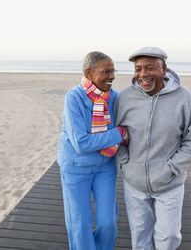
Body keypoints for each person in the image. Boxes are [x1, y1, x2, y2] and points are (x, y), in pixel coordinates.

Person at [116, 47, 191, 250]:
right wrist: (124, 163)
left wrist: (172, 168)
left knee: (169, 238)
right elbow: (115, 135)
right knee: (140, 237)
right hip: (134, 183)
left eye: (149, 68)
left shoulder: (184, 98)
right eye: (138, 68)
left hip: (170, 184)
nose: (143, 74)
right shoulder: (124, 98)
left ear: (163, 69)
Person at [57, 51, 129, 250]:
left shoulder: (115, 97)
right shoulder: (74, 97)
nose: (112, 76)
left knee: (108, 221)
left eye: (113, 71)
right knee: (80, 223)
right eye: (106, 71)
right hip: (76, 167)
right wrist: (119, 133)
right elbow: (81, 143)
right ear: (89, 73)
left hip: (105, 166)